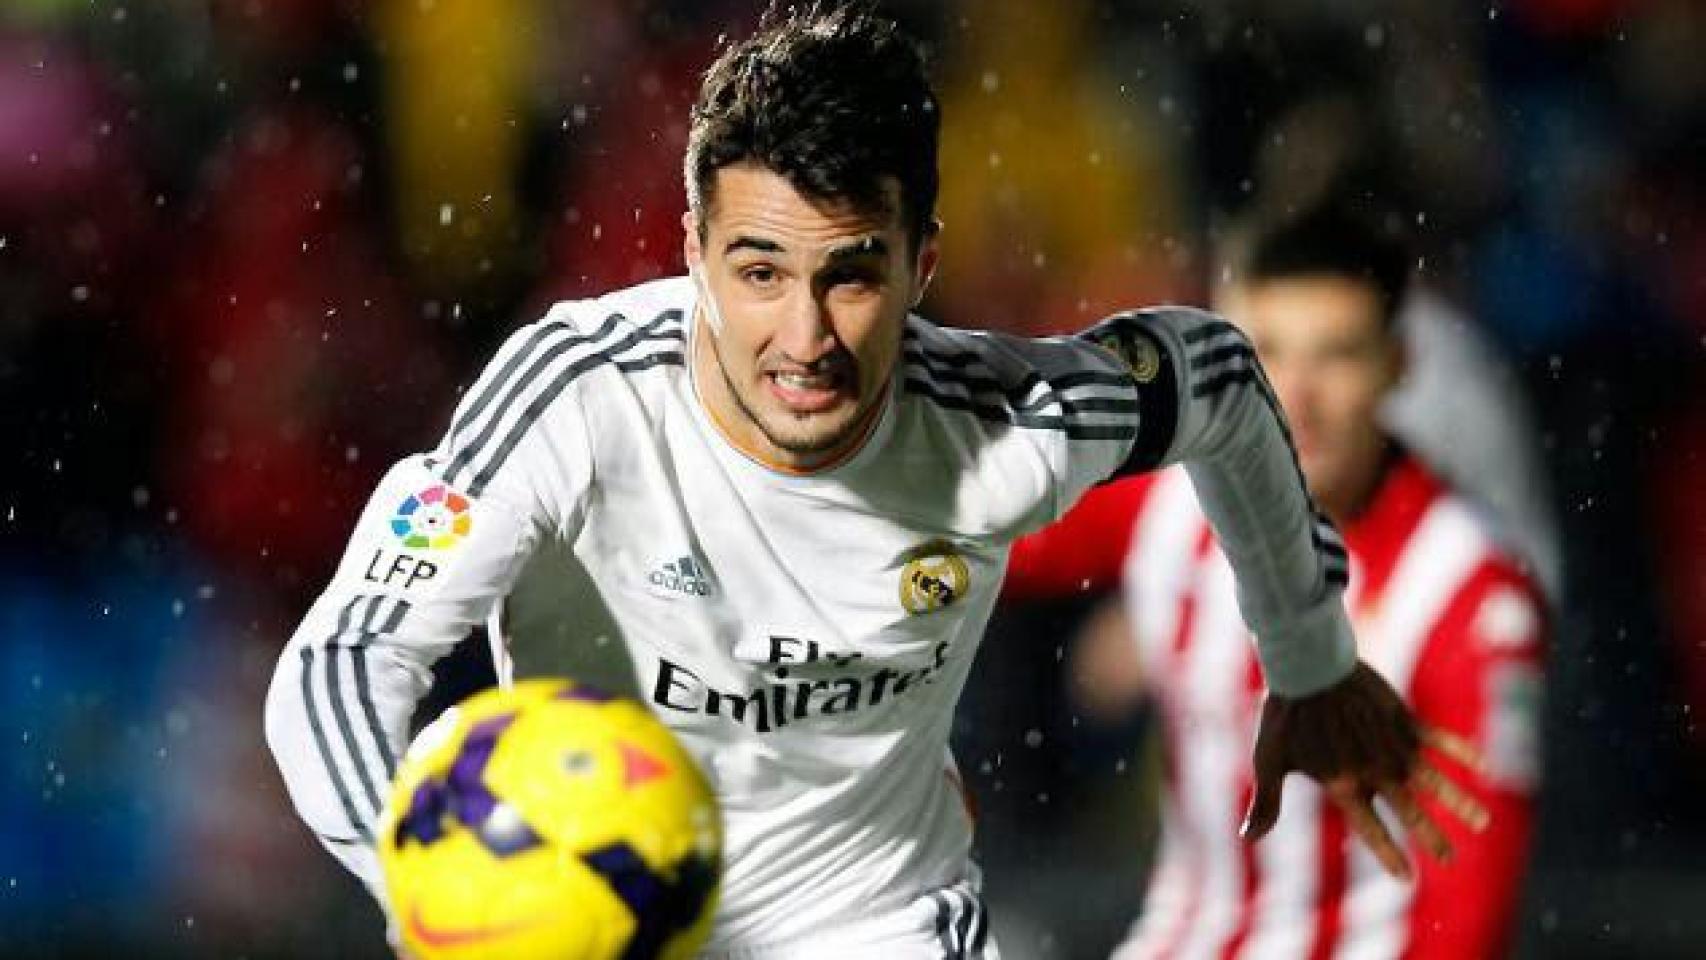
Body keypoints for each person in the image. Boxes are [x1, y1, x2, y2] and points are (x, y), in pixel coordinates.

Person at [264, 5, 1481, 956]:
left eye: (850, 275)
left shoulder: (1007, 427)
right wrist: (440, 890)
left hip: (877, 927)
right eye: (754, 271)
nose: (802, 337)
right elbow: (340, 663)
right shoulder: (575, 395)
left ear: (921, 262)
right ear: (689, 249)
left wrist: (1307, 654)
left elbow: (1212, 374)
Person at [1011, 203, 1545, 958]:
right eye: (1266, 353)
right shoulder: (1169, 494)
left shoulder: (1468, 590)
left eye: (1337, 355)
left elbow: (1469, 908)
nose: (1296, 395)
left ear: (1398, 367)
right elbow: (970, 537)